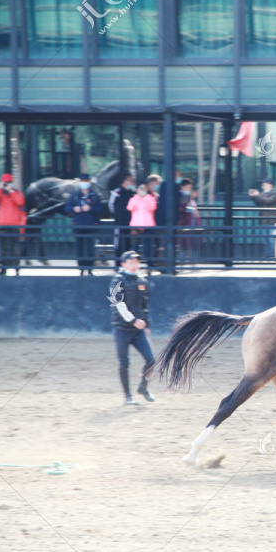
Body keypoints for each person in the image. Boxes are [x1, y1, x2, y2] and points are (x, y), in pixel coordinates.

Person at [109, 250, 155, 405]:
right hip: (122, 329)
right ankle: (127, 396)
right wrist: (134, 320)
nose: (134, 265)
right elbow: (119, 305)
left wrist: (146, 324)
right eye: (131, 262)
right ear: (123, 264)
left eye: (136, 262)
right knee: (124, 363)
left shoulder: (143, 281)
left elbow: (145, 305)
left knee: (151, 359)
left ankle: (143, 386)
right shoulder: (117, 281)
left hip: (137, 330)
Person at [65, 173, 104, 276]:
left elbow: (100, 209)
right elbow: (67, 208)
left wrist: (90, 208)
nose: (84, 184)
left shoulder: (94, 196)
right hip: (78, 224)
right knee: (80, 247)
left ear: (90, 183)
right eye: (82, 182)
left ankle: (90, 268)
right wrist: (74, 209)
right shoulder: (75, 195)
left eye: (86, 182)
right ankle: (81, 268)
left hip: (90, 224)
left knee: (90, 247)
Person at [0, 173, 25, 276]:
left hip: (15, 224)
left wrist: (11, 191)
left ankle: (16, 269)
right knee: (2, 247)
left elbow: (20, 201)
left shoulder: (17, 192)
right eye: (5, 183)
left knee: (15, 247)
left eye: (9, 182)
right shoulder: (0, 194)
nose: (7, 185)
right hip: (2, 224)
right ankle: (3, 269)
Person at [127, 182, 158, 262]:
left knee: (148, 247)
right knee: (135, 247)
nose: (142, 190)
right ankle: (134, 264)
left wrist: (145, 197)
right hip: (136, 226)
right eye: (140, 188)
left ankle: (149, 266)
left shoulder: (150, 198)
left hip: (148, 226)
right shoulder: (133, 199)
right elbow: (130, 207)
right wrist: (138, 197)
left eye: (143, 188)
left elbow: (152, 208)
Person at [108, 173, 135, 265]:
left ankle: (126, 264)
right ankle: (118, 264)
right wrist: (117, 216)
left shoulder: (132, 193)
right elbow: (111, 206)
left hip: (130, 224)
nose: (131, 182)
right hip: (119, 224)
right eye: (130, 180)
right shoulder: (117, 192)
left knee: (128, 244)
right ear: (124, 182)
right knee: (119, 244)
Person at [248, 179, 276, 257]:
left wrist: (258, 195)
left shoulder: (275, 193)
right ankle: (268, 255)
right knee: (266, 239)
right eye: (262, 185)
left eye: (264, 184)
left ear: (270, 185)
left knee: (272, 239)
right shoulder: (262, 194)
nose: (263, 186)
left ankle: (273, 255)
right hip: (263, 220)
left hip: (272, 220)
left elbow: (268, 201)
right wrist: (253, 197)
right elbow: (258, 203)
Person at [177, 178, 202, 261]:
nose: (189, 189)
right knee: (183, 244)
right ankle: (182, 261)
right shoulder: (180, 196)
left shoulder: (190, 197)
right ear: (182, 187)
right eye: (188, 187)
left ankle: (192, 260)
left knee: (191, 243)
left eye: (190, 187)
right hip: (184, 223)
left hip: (192, 223)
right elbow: (180, 207)